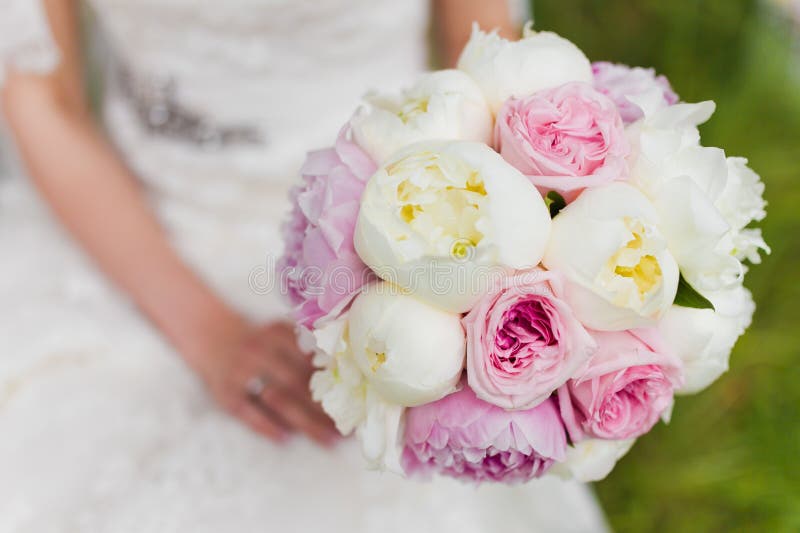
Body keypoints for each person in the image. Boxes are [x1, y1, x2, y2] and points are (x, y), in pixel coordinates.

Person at [0, 1, 609, 531]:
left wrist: (444, 273)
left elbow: (480, 53)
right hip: (131, 219)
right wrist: (211, 335)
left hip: (390, 230)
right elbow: (43, 101)